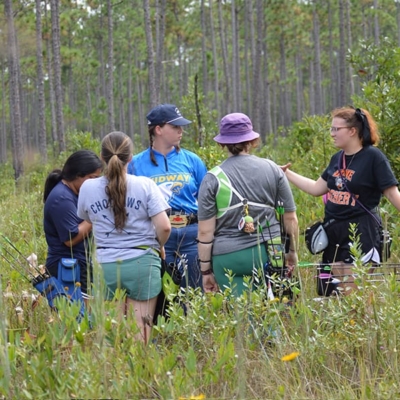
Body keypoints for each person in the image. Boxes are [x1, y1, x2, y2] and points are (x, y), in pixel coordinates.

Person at [282, 107, 400, 293]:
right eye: (331, 129)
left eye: (337, 129)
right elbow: (316, 188)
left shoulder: (373, 158)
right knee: (332, 293)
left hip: (360, 233)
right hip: (333, 234)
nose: (332, 134)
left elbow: (393, 195)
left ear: (352, 131)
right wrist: (286, 174)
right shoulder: (337, 159)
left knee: (353, 294)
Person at [77, 131, 171, 343]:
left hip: (105, 263)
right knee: (141, 324)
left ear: (101, 158)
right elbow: (164, 227)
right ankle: (140, 370)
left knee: (112, 327)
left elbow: (85, 217)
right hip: (143, 262)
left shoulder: (88, 188)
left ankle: (113, 372)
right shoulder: (145, 185)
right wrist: (159, 245)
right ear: (131, 158)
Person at [197, 113, 299, 296]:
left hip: (228, 255)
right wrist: (291, 251)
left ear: (222, 143)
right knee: (273, 310)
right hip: (271, 250)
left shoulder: (212, 178)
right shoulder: (273, 170)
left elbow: (205, 231)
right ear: (252, 140)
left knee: (240, 316)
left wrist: (205, 271)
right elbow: (290, 218)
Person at [128, 104, 207, 290]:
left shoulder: (192, 160)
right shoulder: (135, 164)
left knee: (195, 291)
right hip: (157, 236)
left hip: (191, 235)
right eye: (175, 127)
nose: (181, 131)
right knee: (160, 293)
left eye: (181, 127)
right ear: (158, 129)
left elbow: (207, 200)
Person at [43, 150, 103, 301]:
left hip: (77, 265)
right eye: (92, 178)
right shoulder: (62, 199)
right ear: (77, 175)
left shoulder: (73, 193)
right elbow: (71, 239)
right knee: (77, 315)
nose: (95, 183)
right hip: (66, 268)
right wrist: (94, 215)